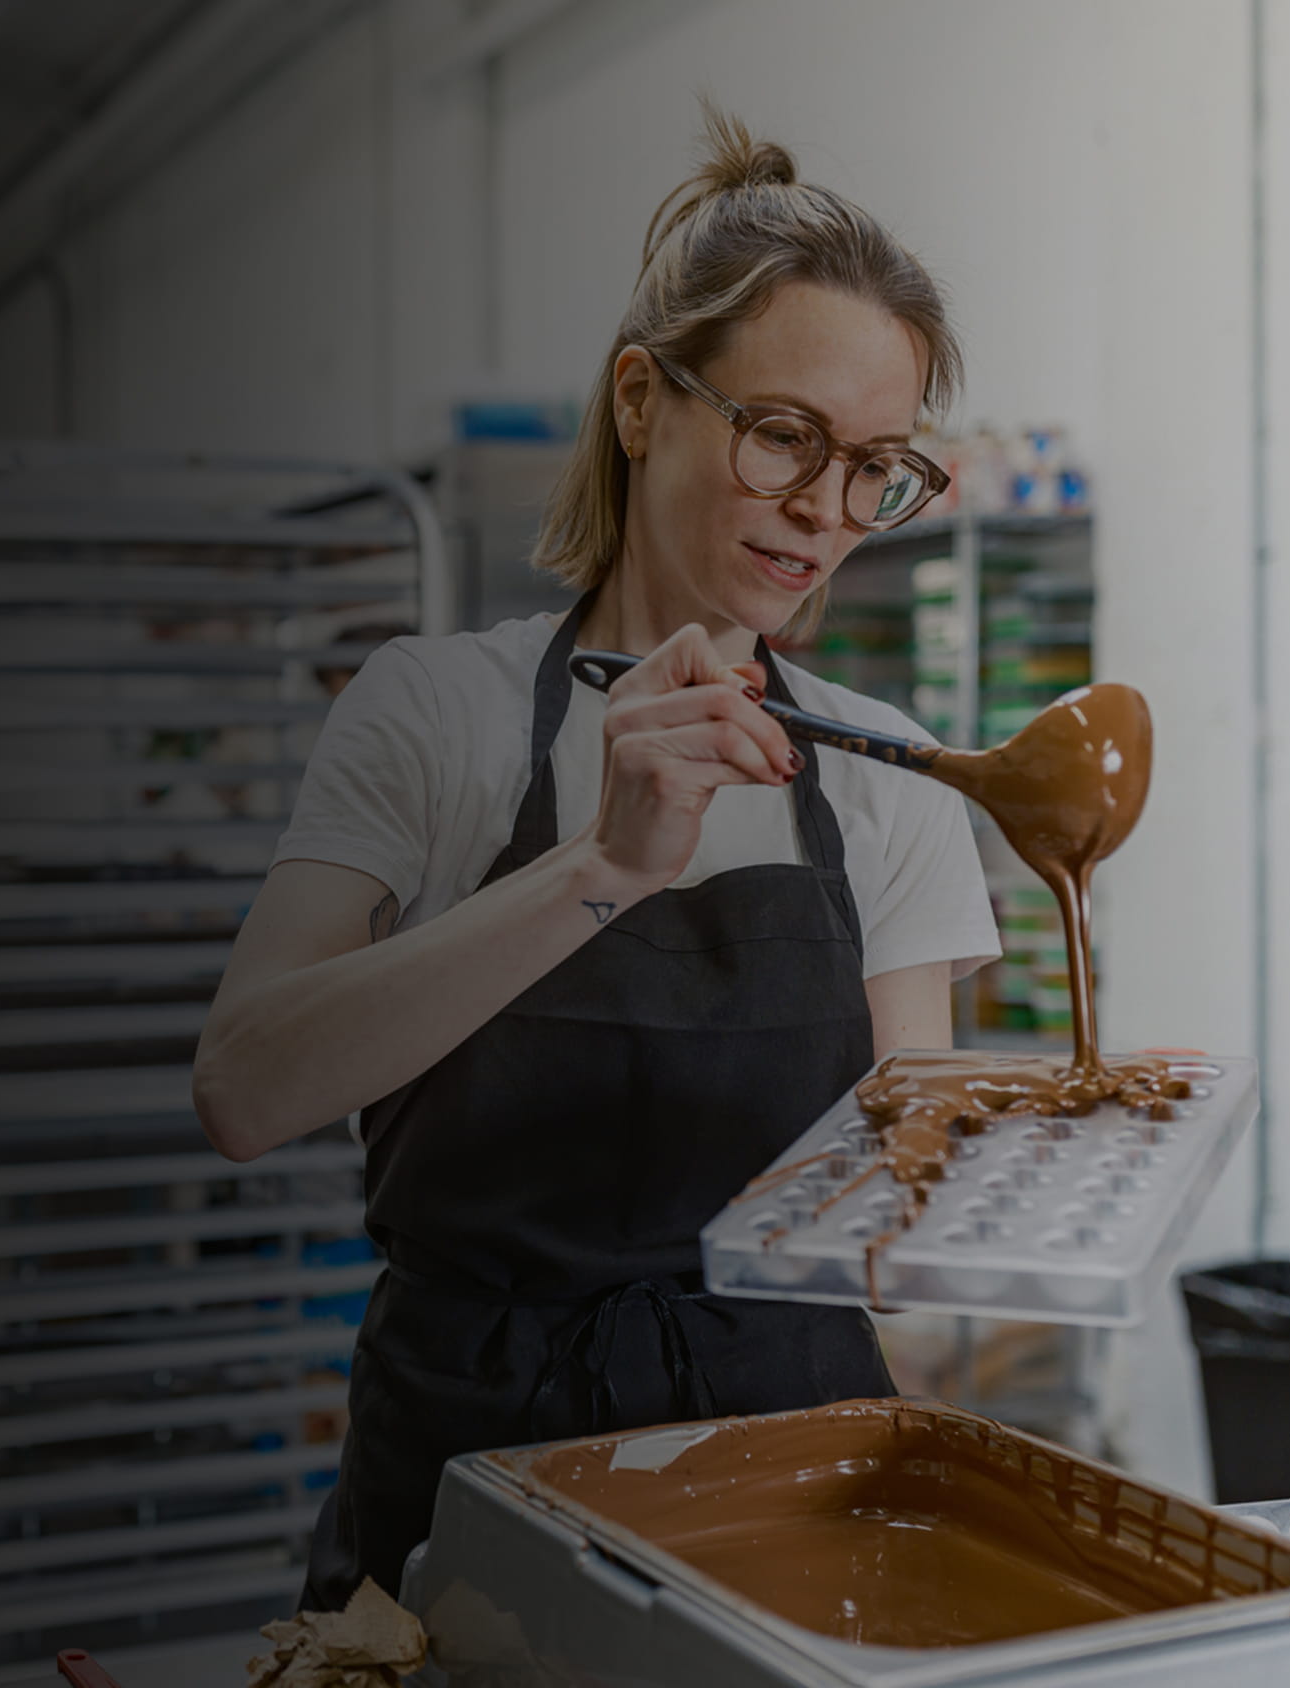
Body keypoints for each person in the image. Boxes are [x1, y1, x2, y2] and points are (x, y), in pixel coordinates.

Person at [191, 110, 1001, 1612]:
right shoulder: (439, 712)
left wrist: (1038, 1171)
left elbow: (904, 1202)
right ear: (643, 401)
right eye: (786, 436)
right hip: (464, 1506)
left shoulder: (892, 782)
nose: (827, 512)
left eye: (876, 467)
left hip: (785, 1495)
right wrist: (600, 866)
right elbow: (245, 1087)